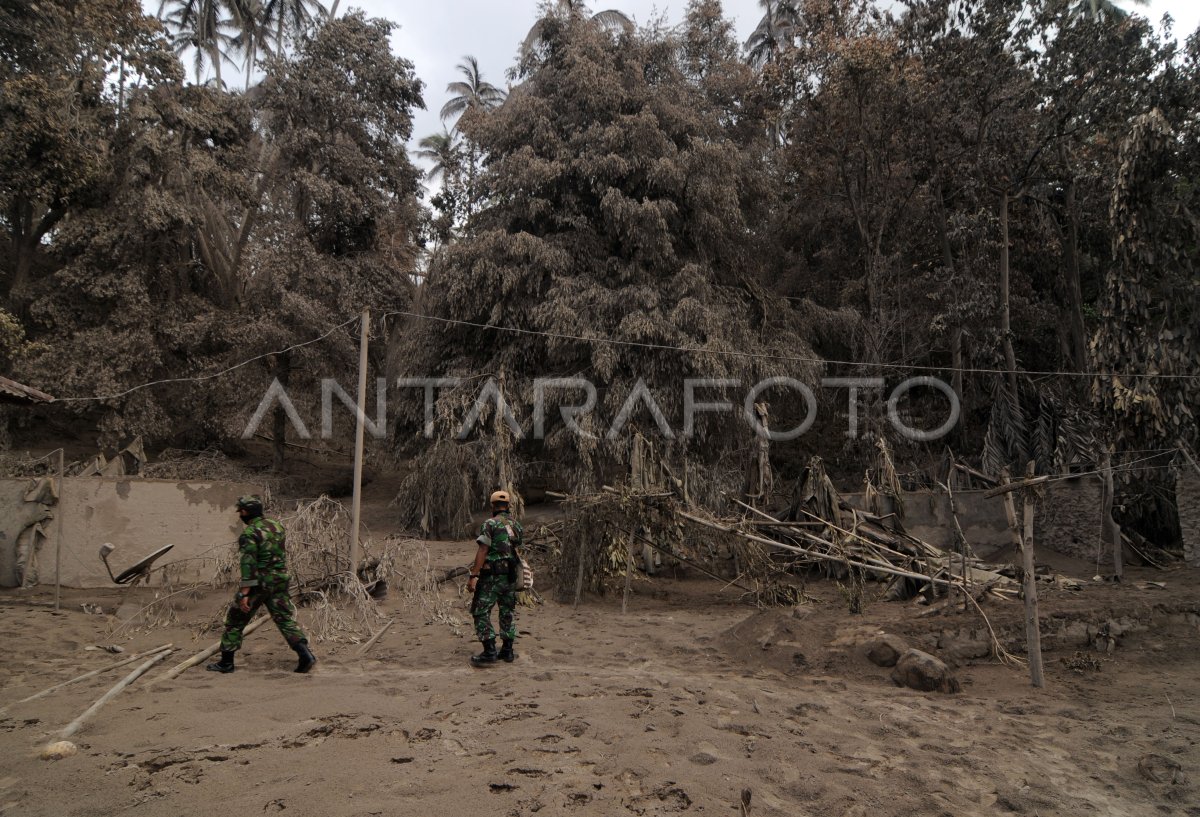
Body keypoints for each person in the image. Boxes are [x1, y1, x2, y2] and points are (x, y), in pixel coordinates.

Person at [206, 495, 316, 674]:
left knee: (235, 619)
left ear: (245, 512)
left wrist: (244, 593)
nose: (240, 514)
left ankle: (226, 663)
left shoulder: (249, 534)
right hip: (280, 579)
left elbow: (248, 564)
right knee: (284, 619)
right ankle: (305, 655)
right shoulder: (277, 526)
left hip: (260, 582)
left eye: (241, 511)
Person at [467, 490, 524, 667]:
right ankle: (507, 650)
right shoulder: (516, 525)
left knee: (480, 611)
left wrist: (474, 575)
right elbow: (516, 547)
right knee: (507, 611)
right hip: (510, 576)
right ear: (508, 506)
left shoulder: (489, 523)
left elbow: (483, 549)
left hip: (491, 577)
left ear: (492, 506)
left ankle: (489, 651)